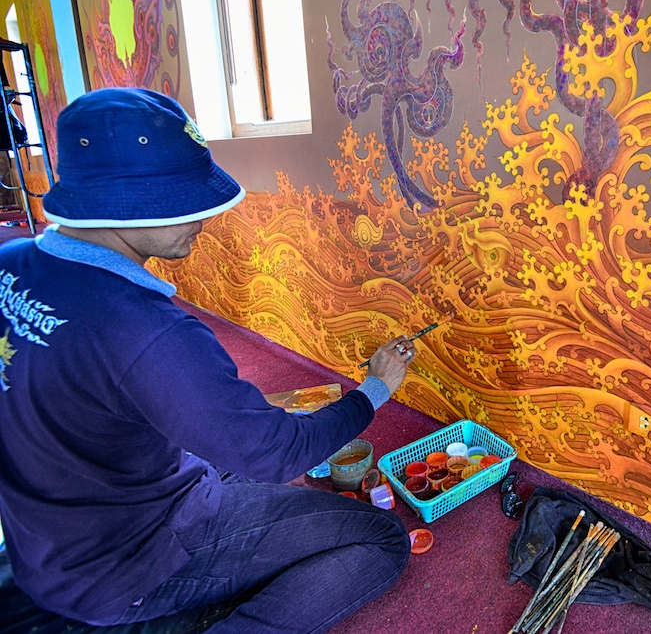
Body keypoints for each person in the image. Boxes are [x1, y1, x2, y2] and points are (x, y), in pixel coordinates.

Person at [0, 87, 416, 632]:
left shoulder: (9, 262)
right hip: (132, 563)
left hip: (50, 544)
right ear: (121, 205)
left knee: (225, 452)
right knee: (380, 539)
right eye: (187, 204)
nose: (206, 219)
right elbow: (278, 456)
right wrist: (374, 390)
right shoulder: (146, 331)